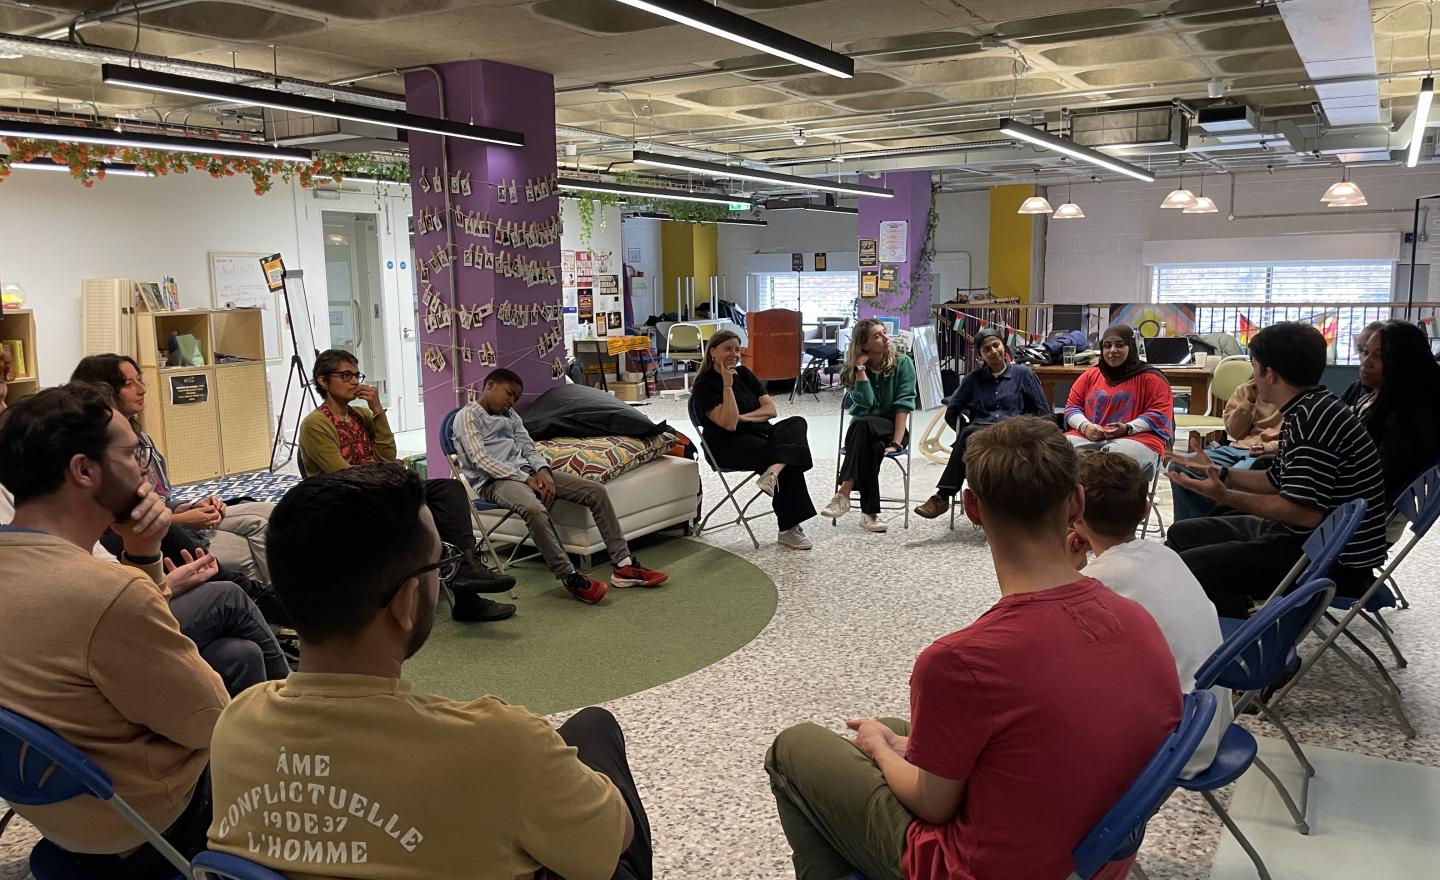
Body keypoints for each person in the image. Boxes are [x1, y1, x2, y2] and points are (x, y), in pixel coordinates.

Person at [766, 417, 1180, 880]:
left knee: (796, 747)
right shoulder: (1137, 618)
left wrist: (881, 751)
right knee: (892, 730)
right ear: (1076, 503)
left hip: (983, 868)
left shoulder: (960, 661)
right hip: (1096, 856)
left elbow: (933, 805)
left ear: (971, 508)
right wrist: (891, 743)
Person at [207, 464, 654, 880]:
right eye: (440, 566)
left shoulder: (235, 724)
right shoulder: (501, 744)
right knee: (596, 731)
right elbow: (615, 842)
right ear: (405, 603)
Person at [0, 384, 228, 876]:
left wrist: (143, 555)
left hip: (46, 804)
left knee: (233, 651)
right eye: (132, 452)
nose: (144, 467)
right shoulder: (105, 590)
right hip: (136, 819)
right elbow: (210, 719)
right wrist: (142, 560)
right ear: (84, 470)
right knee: (260, 739)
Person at [1167, 322, 1388, 618]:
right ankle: (1231, 613)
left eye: (1254, 367)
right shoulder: (1312, 407)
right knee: (1182, 534)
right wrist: (1222, 473)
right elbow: (1276, 480)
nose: (1253, 378)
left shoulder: (1312, 422)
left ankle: (1252, 642)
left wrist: (1226, 495)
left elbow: (1303, 513)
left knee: (1186, 569)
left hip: (1328, 558)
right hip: (1315, 540)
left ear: (1269, 374)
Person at [298, 348, 517, 623]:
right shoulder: (315, 424)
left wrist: (377, 410)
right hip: (346, 502)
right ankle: (464, 589)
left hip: (381, 491)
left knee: (448, 491)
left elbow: (387, 454)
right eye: (345, 375)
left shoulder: (361, 417)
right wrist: (385, 470)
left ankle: (466, 574)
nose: (354, 381)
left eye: (356, 375)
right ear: (323, 381)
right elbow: (341, 475)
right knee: (421, 508)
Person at [1067, 451, 1231, 777]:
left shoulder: (1096, 584)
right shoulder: (1165, 555)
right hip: (1212, 721)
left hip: (1177, 746)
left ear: (1074, 515)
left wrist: (1066, 572)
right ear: (1144, 510)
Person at [453, 368, 668, 604]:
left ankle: (624, 566)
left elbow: (528, 447)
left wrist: (543, 472)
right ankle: (569, 576)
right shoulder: (467, 416)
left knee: (595, 491)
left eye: (515, 398)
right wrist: (528, 480)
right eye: (508, 394)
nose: (511, 401)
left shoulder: (511, 415)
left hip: (528, 472)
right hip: (495, 481)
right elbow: (481, 461)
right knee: (534, 509)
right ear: (490, 385)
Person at [71, 353, 274, 586]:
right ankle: (277, 605)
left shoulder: (141, 438)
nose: (142, 389)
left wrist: (190, 506)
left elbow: (161, 496)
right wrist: (182, 519)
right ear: (101, 394)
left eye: (140, 380)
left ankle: (274, 604)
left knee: (268, 514)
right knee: (252, 547)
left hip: (173, 522)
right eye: (128, 384)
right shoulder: (99, 457)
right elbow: (121, 524)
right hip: (161, 533)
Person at [691, 329, 817, 549]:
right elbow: (729, 424)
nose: (734, 354)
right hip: (726, 443)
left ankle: (772, 473)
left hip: (759, 433)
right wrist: (727, 384)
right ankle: (788, 528)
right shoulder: (704, 385)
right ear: (712, 352)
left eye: (737, 349)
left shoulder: (745, 374)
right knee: (788, 457)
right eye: (727, 349)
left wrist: (742, 418)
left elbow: (771, 410)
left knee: (796, 423)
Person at [914, 326, 1048, 519]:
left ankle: (943, 496)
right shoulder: (972, 380)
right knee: (969, 433)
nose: (993, 352)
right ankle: (945, 497)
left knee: (968, 433)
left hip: (1014, 434)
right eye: (987, 349)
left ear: (1004, 346)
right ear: (980, 356)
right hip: (981, 437)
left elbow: (1042, 410)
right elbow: (952, 412)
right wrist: (961, 432)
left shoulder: (1023, 374)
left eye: (996, 345)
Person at [1346, 320, 1440, 540]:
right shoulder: (1370, 397)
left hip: (1360, 521)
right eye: (1365, 353)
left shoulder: (1410, 417)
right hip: (1345, 505)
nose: (1365, 363)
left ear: (1403, 362)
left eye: (1378, 356)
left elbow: (1377, 480)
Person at [821, 318, 917, 533]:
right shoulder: (853, 369)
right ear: (864, 345)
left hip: (893, 430)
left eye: (884, 333)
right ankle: (869, 515)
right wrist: (861, 370)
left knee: (864, 426)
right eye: (877, 336)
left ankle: (843, 492)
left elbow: (903, 405)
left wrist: (897, 443)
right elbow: (867, 403)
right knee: (871, 448)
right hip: (862, 434)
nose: (885, 338)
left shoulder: (903, 363)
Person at [1064, 323, 1174, 477]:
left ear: (1130, 347)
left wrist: (1128, 428)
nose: (1112, 350)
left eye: (1119, 345)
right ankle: (1075, 500)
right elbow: (1072, 407)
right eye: (1107, 346)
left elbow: (1159, 413)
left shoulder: (1152, 378)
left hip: (1138, 438)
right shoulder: (1089, 376)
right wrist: (1085, 426)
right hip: (1087, 435)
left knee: (1116, 464)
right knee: (1058, 455)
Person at [1170, 378, 1282, 521]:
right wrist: (1249, 401)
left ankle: (1213, 526)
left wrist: (1268, 447)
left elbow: (1294, 440)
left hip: (1269, 452)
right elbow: (1234, 432)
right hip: (1236, 448)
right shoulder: (1245, 389)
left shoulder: (1290, 393)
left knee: (1235, 476)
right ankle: (1189, 530)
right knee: (1178, 467)